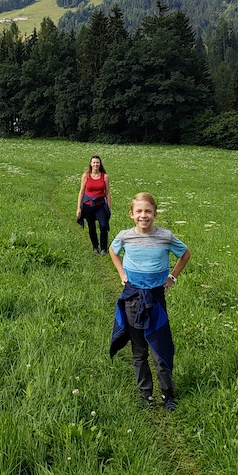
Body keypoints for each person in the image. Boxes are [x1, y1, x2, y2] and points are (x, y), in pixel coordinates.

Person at [108, 192, 191, 412]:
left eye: (148, 211)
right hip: (133, 298)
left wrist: (172, 277)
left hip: (155, 298)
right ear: (131, 214)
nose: (143, 215)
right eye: (139, 211)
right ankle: (146, 394)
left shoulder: (165, 237)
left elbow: (185, 254)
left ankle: (167, 394)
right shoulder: (125, 236)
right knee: (139, 350)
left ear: (155, 213)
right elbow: (112, 251)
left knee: (160, 348)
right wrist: (121, 272)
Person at [76, 155, 111, 254]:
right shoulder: (86, 176)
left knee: (103, 225)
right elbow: (81, 192)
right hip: (88, 205)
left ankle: (104, 248)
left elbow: (107, 193)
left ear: (100, 164)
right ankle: (95, 246)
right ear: (91, 164)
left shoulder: (105, 176)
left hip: (100, 204)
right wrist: (78, 207)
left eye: (97, 162)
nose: (95, 164)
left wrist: (108, 207)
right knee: (91, 227)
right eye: (94, 162)